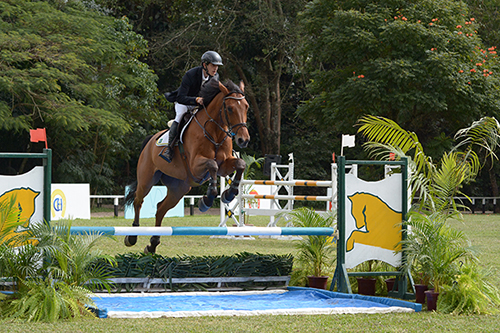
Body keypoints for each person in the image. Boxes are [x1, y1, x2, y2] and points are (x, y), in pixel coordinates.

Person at [161, 51, 223, 162]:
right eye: (213, 65)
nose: (215, 69)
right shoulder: (190, 75)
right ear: (205, 65)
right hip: (184, 103)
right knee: (180, 116)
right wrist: (195, 100)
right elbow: (181, 97)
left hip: (200, 105)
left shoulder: (215, 77)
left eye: (217, 66)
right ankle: (169, 149)